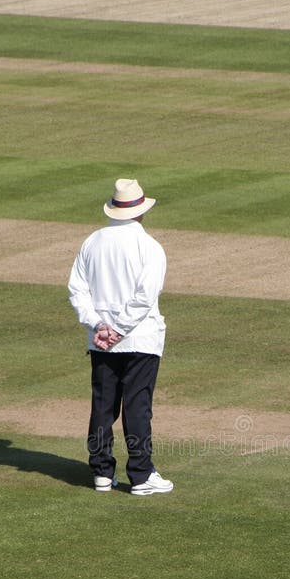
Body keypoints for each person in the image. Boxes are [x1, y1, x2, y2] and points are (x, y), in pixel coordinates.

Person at [68, 178, 173, 496]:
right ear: (141, 212)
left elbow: (78, 290)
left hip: (101, 340)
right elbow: (144, 297)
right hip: (139, 340)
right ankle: (141, 475)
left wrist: (99, 326)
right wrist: (117, 329)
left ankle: (101, 472)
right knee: (137, 406)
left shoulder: (92, 243)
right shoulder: (150, 247)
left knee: (103, 404)